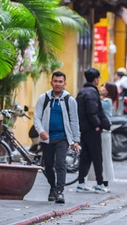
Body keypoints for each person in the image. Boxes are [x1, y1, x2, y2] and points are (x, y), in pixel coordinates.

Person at [33, 71, 80, 204]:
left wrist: (76, 140)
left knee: (60, 163)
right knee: (48, 165)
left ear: (65, 83)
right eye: (55, 81)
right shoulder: (44, 98)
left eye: (60, 82)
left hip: (63, 138)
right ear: (51, 82)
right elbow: (37, 117)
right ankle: (52, 187)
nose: (58, 84)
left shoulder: (70, 100)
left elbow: (74, 121)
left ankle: (60, 191)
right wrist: (41, 131)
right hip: (47, 138)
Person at [76, 67, 110, 193]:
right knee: (96, 156)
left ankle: (81, 182)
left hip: (83, 129)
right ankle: (100, 183)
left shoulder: (82, 91)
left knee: (85, 156)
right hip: (92, 130)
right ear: (96, 79)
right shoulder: (92, 92)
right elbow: (92, 111)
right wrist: (97, 124)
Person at [99, 82, 119, 188]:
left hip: (104, 131)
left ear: (108, 91)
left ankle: (104, 181)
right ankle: (102, 181)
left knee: (104, 157)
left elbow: (95, 107)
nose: (101, 88)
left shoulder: (106, 102)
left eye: (104, 87)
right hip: (103, 131)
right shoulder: (106, 100)